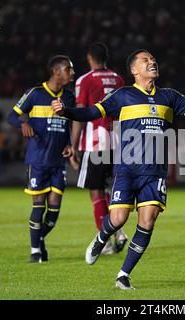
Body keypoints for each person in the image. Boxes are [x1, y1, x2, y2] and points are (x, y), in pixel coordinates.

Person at [52, 49, 185, 290]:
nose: (152, 62)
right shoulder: (123, 95)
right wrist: (66, 111)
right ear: (134, 70)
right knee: (118, 218)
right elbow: (90, 112)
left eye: (153, 59)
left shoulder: (169, 97)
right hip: (127, 170)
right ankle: (101, 238)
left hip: (155, 172)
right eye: (145, 60)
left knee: (147, 221)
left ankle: (123, 275)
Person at [7, 55, 74, 263]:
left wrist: (69, 144)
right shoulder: (35, 94)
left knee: (53, 215)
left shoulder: (69, 97)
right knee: (39, 206)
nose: (72, 73)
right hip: (37, 160)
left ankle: (39, 239)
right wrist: (23, 123)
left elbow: (69, 123)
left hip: (57, 162)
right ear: (56, 72)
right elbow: (12, 116)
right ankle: (35, 251)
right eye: (68, 69)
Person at [71, 43, 127, 255]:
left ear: (89, 58)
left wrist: (73, 146)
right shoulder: (118, 79)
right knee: (109, 191)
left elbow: (80, 114)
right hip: (117, 142)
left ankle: (103, 241)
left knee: (96, 191)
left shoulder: (84, 81)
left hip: (95, 143)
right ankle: (118, 232)